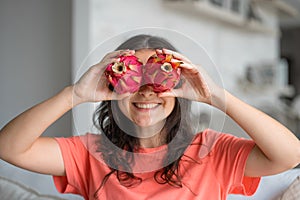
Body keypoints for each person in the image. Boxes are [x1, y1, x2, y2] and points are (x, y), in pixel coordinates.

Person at [0, 34, 299, 200]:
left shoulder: (212, 151)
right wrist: (75, 94)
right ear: (111, 89)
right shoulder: (91, 154)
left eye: (159, 78)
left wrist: (216, 96)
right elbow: (10, 147)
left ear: (179, 89)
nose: (146, 92)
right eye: (133, 79)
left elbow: (290, 155)